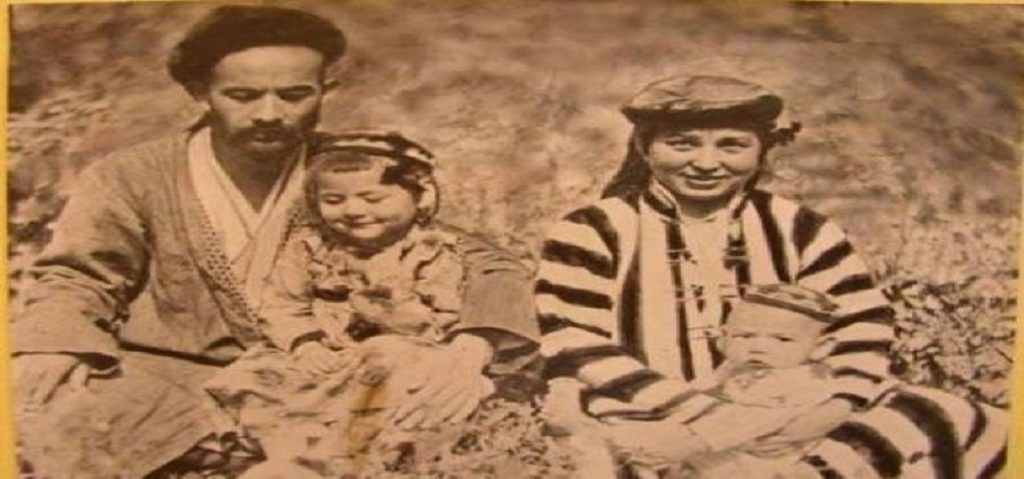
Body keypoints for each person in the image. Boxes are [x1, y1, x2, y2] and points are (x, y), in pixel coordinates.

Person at [11, 7, 535, 478]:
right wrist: (51, 345)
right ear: (200, 91)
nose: (269, 113)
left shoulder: (351, 172)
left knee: (417, 385)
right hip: (172, 375)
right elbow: (79, 274)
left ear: (325, 91)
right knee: (56, 414)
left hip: (320, 375)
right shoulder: (131, 175)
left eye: (294, 95)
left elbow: (487, 262)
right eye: (242, 96)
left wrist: (469, 349)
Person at [534, 75, 1006, 477]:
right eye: (682, 143)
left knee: (939, 416)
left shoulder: (800, 228)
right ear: (645, 147)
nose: (706, 162)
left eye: (732, 145)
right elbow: (580, 345)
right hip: (651, 415)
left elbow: (862, 328)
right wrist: (710, 419)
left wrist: (829, 410)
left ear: (760, 151)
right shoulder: (594, 229)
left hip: (793, 409)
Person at [204, 131, 520, 476]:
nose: (353, 210)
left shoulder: (433, 251)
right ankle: (286, 450)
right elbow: (282, 305)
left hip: (397, 354)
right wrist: (305, 342)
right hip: (328, 355)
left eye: (373, 198)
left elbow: (444, 318)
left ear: (422, 197)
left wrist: (394, 314)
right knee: (257, 374)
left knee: (390, 366)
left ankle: (344, 457)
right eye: (333, 200)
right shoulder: (310, 248)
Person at [545, 284, 1009, 478]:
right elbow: (708, 395)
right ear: (723, 337)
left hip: (781, 459)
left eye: (781, 339)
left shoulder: (802, 380)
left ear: (821, 348)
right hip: (741, 448)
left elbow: (746, 423)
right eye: (744, 336)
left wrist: (690, 440)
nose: (758, 348)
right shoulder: (742, 369)